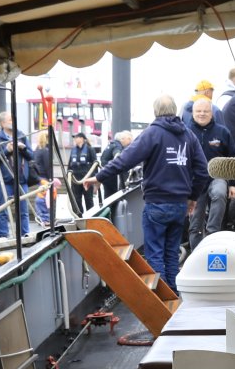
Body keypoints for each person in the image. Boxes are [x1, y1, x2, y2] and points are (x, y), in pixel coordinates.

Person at [82, 96, 207, 292]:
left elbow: (125, 160)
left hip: (156, 203)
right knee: (171, 253)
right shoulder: (188, 135)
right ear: (174, 110)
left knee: (155, 254)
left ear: (155, 112)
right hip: (179, 204)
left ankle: (162, 298)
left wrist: (99, 177)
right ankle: (173, 295)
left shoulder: (152, 133)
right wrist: (192, 197)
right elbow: (202, 171)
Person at [185, 97, 235, 249]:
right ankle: (196, 254)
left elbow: (234, 158)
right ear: (192, 113)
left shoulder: (222, 132)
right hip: (195, 182)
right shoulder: (185, 133)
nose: (202, 114)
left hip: (217, 176)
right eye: (198, 111)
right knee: (195, 225)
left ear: (212, 113)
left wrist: (234, 184)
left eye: (205, 111)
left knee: (220, 192)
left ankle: (212, 234)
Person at [0, 111, 32, 237]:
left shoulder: (21, 135)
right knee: (3, 210)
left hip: (21, 179)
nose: (13, 121)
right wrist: (7, 150)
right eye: (10, 119)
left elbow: (31, 156)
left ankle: (25, 235)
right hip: (5, 180)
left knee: (23, 211)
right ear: (3, 123)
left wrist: (23, 148)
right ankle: (3, 235)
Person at [97, 130, 133, 200]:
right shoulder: (117, 146)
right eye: (129, 139)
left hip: (105, 173)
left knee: (107, 196)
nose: (130, 142)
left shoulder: (111, 144)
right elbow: (117, 156)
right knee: (113, 197)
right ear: (122, 139)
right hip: (111, 175)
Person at [66, 131, 96, 214]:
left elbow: (95, 163)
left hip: (87, 178)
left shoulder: (90, 149)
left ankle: (91, 215)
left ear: (82, 138)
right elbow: (70, 164)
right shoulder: (73, 150)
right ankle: (79, 215)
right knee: (77, 199)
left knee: (88, 199)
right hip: (76, 179)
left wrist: (94, 178)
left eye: (76, 137)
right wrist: (68, 176)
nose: (75, 139)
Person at [31, 130, 56, 226]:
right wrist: (51, 179)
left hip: (39, 176)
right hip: (44, 177)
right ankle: (45, 218)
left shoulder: (37, 149)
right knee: (43, 199)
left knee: (42, 198)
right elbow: (48, 166)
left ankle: (42, 217)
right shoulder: (45, 150)